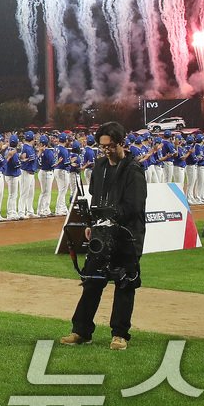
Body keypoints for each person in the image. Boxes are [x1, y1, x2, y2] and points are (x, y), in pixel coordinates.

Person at [60, 121, 147, 351]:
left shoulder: (133, 170)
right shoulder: (99, 167)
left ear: (121, 143)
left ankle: (120, 334)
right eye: (102, 146)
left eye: (110, 146)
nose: (106, 150)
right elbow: (95, 198)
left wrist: (111, 220)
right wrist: (93, 224)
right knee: (91, 281)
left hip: (127, 235)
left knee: (125, 283)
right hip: (101, 233)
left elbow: (135, 206)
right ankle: (81, 331)